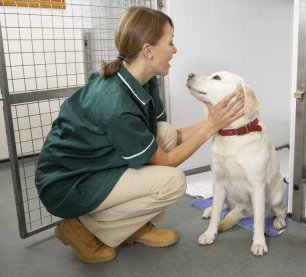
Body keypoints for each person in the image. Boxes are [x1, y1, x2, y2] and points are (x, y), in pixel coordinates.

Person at [35, 6, 244, 264]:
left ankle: (134, 225)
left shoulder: (144, 79)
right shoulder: (117, 104)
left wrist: (213, 120)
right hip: (67, 183)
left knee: (164, 132)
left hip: (95, 163)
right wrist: (211, 127)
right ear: (148, 50)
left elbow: (173, 137)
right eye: (171, 42)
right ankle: (80, 228)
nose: (175, 49)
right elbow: (166, 162)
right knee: (173, 181)